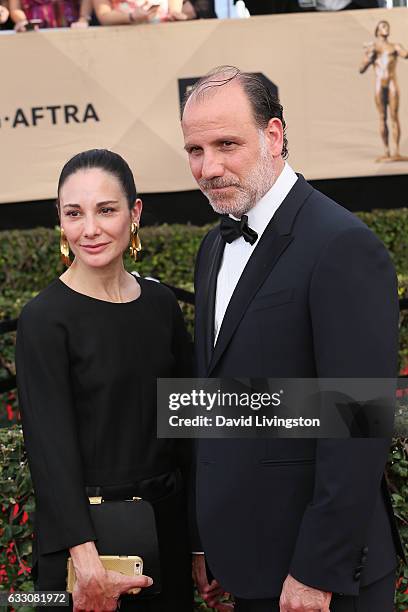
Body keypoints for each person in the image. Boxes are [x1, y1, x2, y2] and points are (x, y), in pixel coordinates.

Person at [181, 66, 403, 612]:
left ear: (273, 135)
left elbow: (358, 422)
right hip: (246, 562)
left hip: (321, 580)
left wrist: (316, 571)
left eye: (226, 144)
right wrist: (204, 535)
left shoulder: (342, 244)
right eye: (195, 150)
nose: (209, 167)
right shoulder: (212, 250)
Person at [15, 149, 193, 611]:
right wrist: (84, 555)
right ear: (60, 219)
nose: (89, 229)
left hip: (166, 532)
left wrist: (197, 542)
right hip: (89, 550)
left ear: (134, 214)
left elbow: (188, 431)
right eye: (74, 213)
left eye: (106, 210)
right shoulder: (44, 320)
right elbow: (49, 451)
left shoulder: (160, 305)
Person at [359, 20, 408, 162]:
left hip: (392, 83)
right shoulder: (373, 48)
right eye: (383, 26)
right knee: (382, 117)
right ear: (377, 30)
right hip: (380, 84)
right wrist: (369, 55)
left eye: (387, 25)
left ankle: (396, 151)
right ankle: (386, 151)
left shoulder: (395, 46)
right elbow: (361, 69)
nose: (386, 27)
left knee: (394, 116)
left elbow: (405, 54)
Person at [93, 0, 188, 27]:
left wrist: (174, 13)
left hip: (165, 37)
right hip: (123, 44)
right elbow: (104, 16)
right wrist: (131, 17)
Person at [9, 0, 91, 30]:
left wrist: (83, 18)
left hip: (72, 30)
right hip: (34, 33)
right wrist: (24, 22)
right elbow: (15, 9)